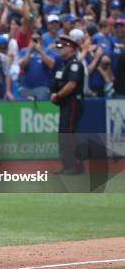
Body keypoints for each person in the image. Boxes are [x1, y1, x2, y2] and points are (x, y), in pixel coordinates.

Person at [51, 31, 85, 175]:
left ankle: (73, 166)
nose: (60, 48)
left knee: (67, 134)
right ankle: (69, 165)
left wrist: (57, 95)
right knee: (64, 134)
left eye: (63, 46)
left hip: (72, 103)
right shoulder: (65, 65)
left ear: (71, 48)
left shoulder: (74, 65)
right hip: (66, 104)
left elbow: (71, 84)